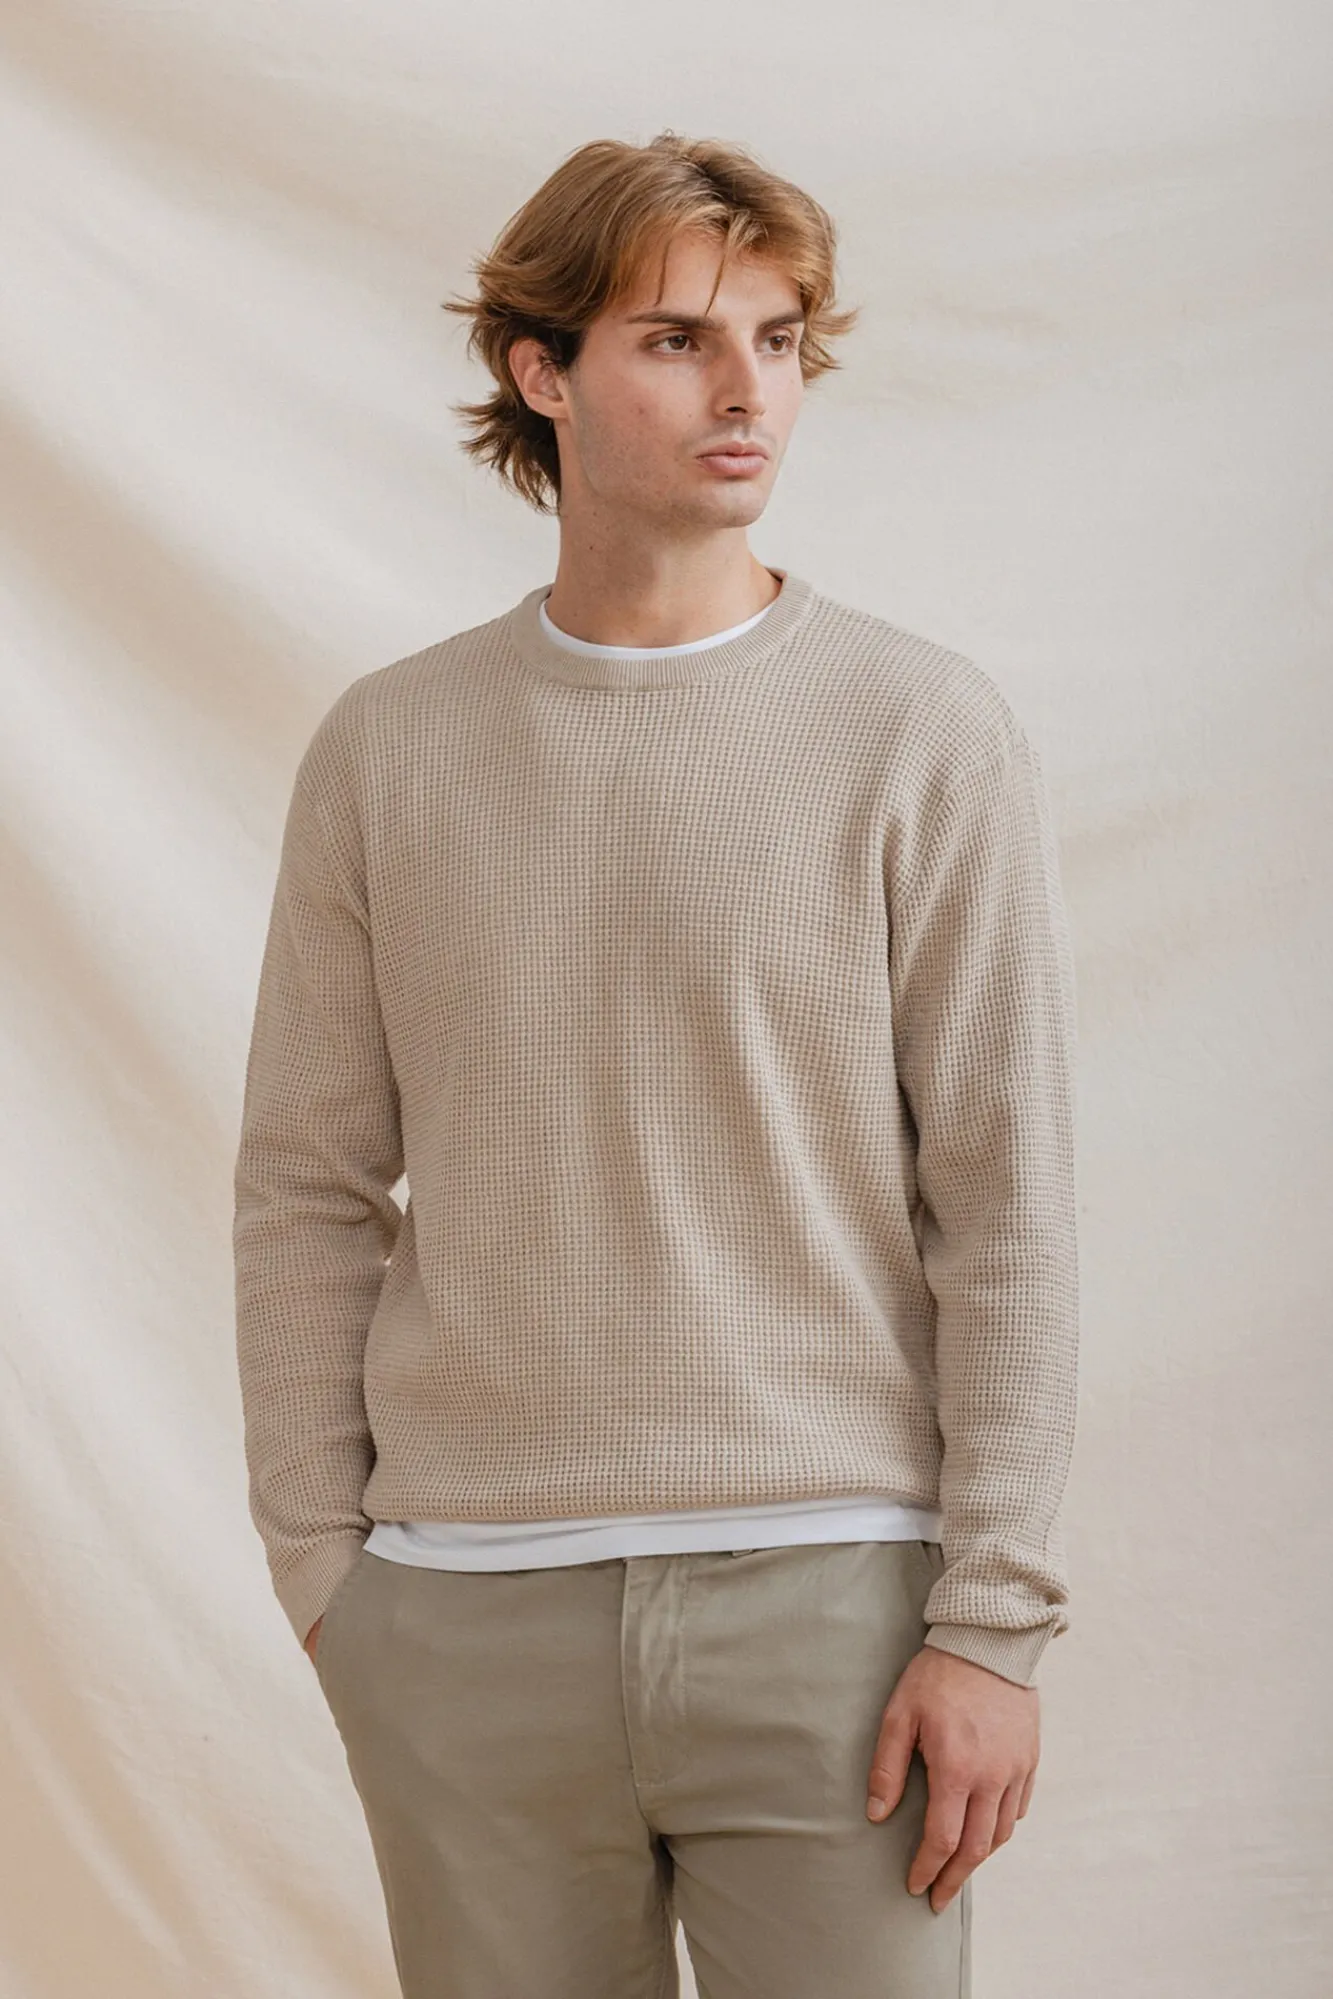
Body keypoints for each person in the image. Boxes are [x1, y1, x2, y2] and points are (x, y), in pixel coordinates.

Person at [232, 130, 1079, 1999]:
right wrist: (328, 1575)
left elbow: (1006, 1199)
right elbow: (306, 1179)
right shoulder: (390, 749)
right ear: (541, 372)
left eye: (777, 340)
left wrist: (992, 1622)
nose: (746, 390)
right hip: (465, 1615)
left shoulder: (918, 731)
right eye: (679, 340)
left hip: (839, 1614)